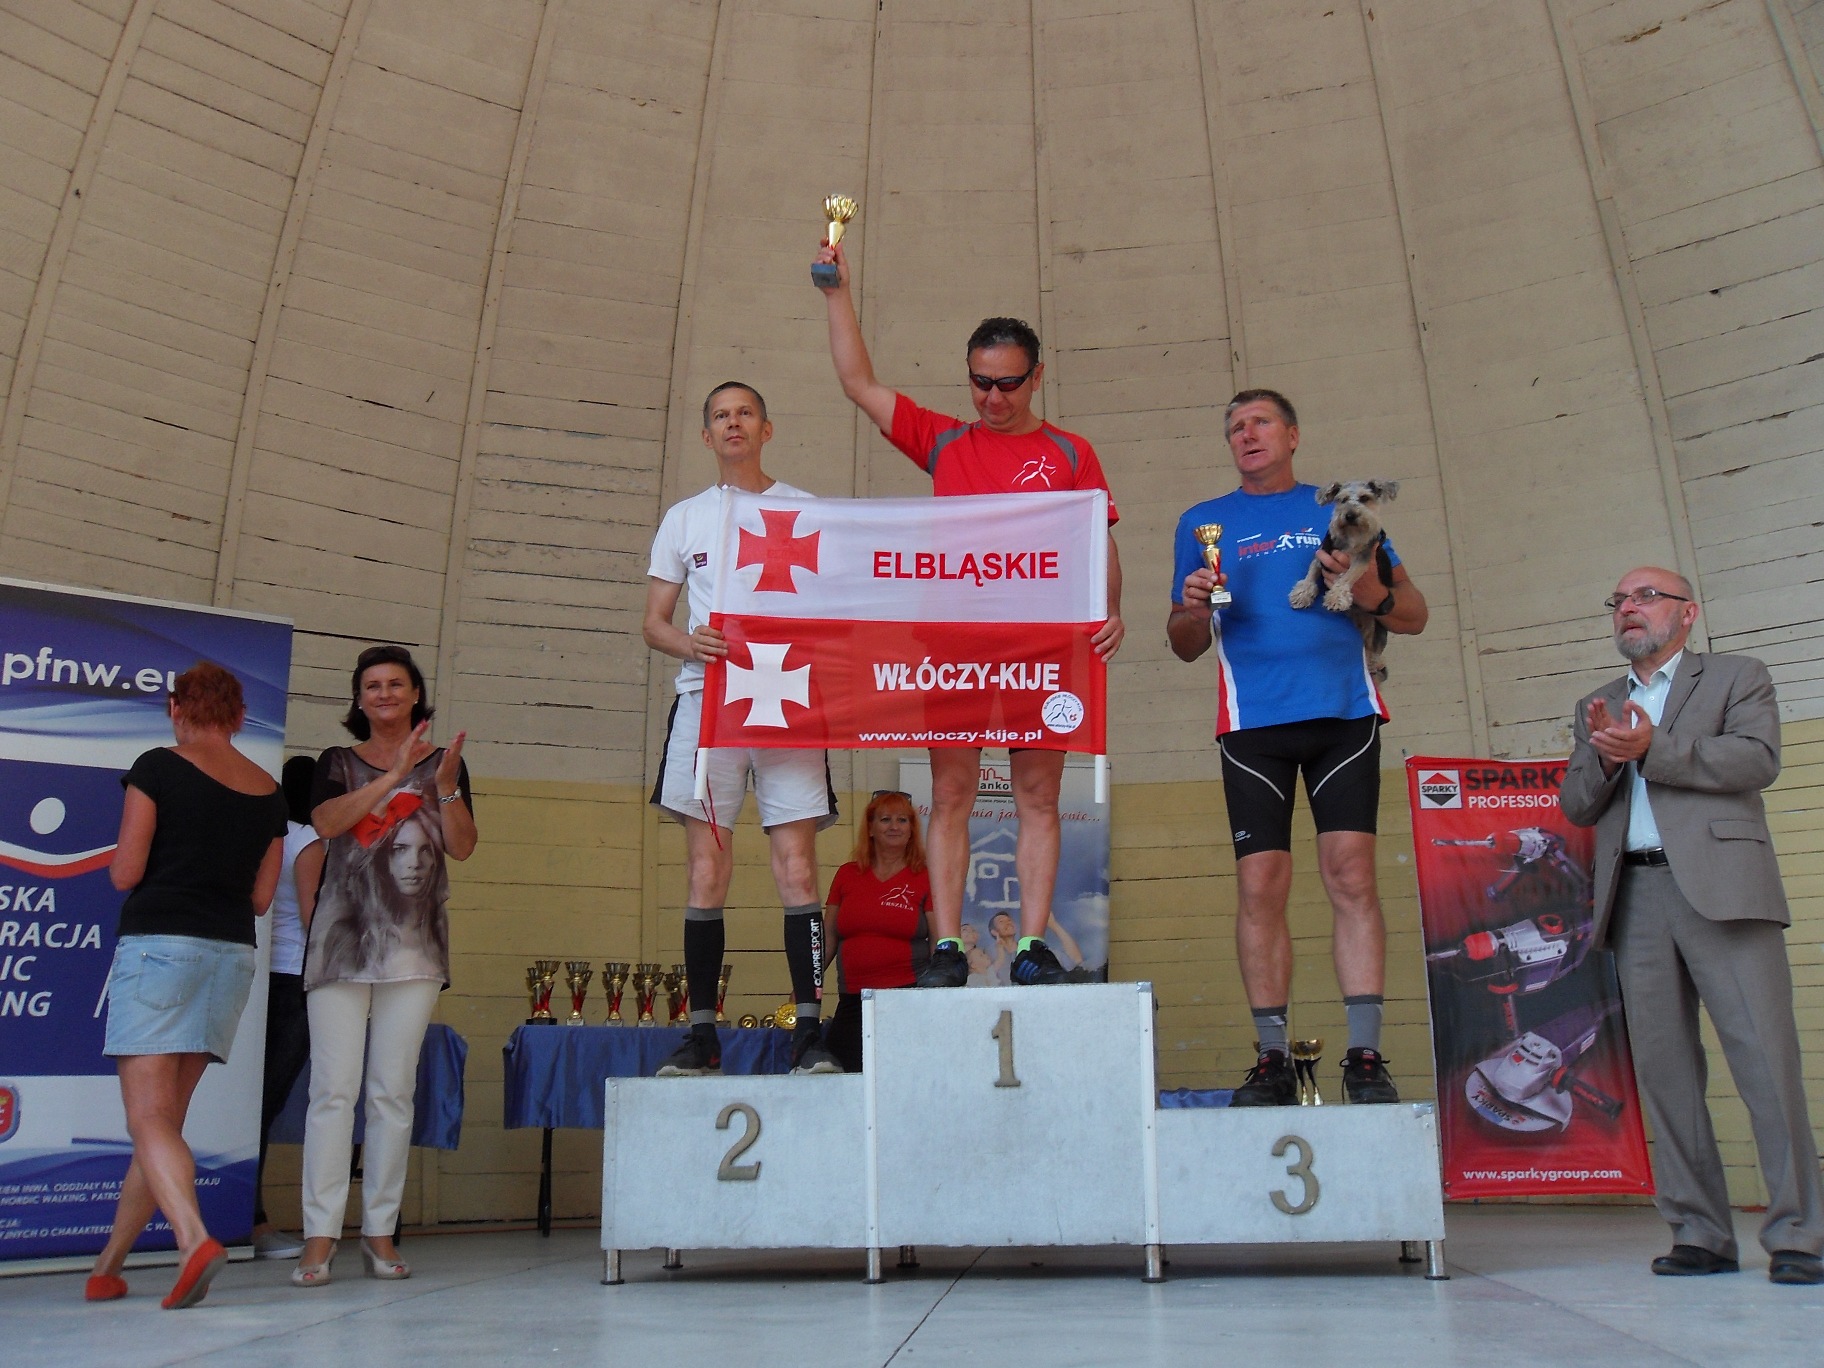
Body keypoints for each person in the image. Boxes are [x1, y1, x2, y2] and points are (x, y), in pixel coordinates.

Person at [816, 238, 1124, 987]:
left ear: (1037, 376)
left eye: (1009, 384)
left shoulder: (1071, 452)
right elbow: (859, 384)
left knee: (1038, 797)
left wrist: (1111, 607)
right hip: (953, 645)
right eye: (981, 383)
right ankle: (950, 947)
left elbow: (1098, 539)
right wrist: (836, 293)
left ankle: (1032, 949)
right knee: (951, 793)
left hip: (1042, 647)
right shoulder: (946, 441)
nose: (993, 399)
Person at [1561, 567, 1823, 1285]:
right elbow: (1577, 804)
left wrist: (1653, 749)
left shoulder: (1738, 676)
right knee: (1666, 1071)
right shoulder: (1598, 703)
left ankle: (1799, 1235)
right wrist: (1607, 758)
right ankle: (1699, 1232)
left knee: (1765, 1064)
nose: (1629, 608)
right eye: (1619, 600)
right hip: (1635, 896)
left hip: (1725, 891)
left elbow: (1756, 760)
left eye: (1646, 597)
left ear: (1687, 614)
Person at [1169, 389, 1428, 1105]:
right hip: (1253, 725)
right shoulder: (1202, 523)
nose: (1246, 434)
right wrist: (1193, 606)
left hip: (1343, 715)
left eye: (1260, 422)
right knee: (1260, 886)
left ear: (1292, 436)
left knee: (1352, 878)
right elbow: (1185, 644)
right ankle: (1273, 1058)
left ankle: (1365, 1056)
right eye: (1234, 427)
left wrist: (1369, 593)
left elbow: (1413, 615)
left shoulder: (1340, 511)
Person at [644, 381, 840, 1078]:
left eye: (745, 413)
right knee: (707, 869)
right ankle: (702, 1036)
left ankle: (808, 1033)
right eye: (721, 416)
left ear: (766, 428)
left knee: (797, 868)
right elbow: (654, 623)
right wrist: (687, 642)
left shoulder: (807, 510)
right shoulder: (684, 518)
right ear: (707, 435)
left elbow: (842, 607)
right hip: (710, 700)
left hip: (789, 698)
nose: (734, 424)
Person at [85, 663, 287, 1309]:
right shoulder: (270, 793)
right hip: (230, 956)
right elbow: (261, 898)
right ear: (239, 715)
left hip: (161, 948)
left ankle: (193, 1238)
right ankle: (108, 1267)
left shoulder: (158, 766)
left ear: (176, 708)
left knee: (148, 1118)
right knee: (164, 1123)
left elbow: (126, 872)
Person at [295, 645, 476, 1287]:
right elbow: (326, 823)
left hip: (415, 946)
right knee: (332, 1090)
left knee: (392, 1093)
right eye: (372, 685)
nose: (384, 694)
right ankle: (319, 1236)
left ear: (415, 692)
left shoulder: (446, 763)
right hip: (341, 943)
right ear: (359, 698)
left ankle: (379, 1230)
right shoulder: (335, 762)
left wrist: (442, 786)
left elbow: (462, 846)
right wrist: (393, 776)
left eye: (395, 683)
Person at [249, 755, 325, 1260]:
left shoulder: (270, 835)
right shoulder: (308, 840)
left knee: (253, 1104)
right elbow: (312, 914)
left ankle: (246, 1216)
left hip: (260, 976)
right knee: (267, 1105)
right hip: (294, 977)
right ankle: (254, 1222)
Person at [820, 791, 932, 1072]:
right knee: (842, 1073)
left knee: (904, 1074)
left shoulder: (926, 876)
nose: (894, 826)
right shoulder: (846, 874)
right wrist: (808, 986)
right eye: (885, 819)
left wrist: (936, 996)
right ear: (870, 828)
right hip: (853, 997)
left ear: (912, 830)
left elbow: (938, 940)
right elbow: (827, 938)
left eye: (902, 820)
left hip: (908, 996)